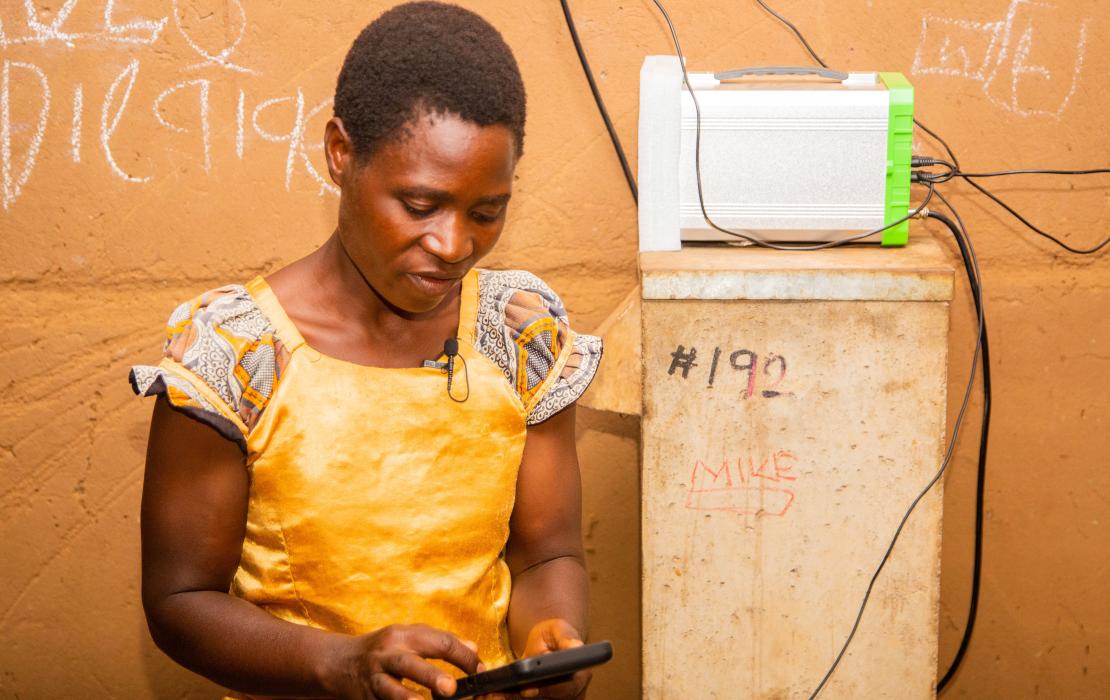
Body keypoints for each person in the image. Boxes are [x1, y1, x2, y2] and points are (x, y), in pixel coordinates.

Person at [129, 3, 603, 699]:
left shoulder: (518, 337)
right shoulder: (235, 354)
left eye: (486, 211)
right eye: (418, 205)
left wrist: (552, 636)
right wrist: (342, 663)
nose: (453, 246)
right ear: (341, 153)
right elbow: (180, 602)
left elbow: (549, 552)